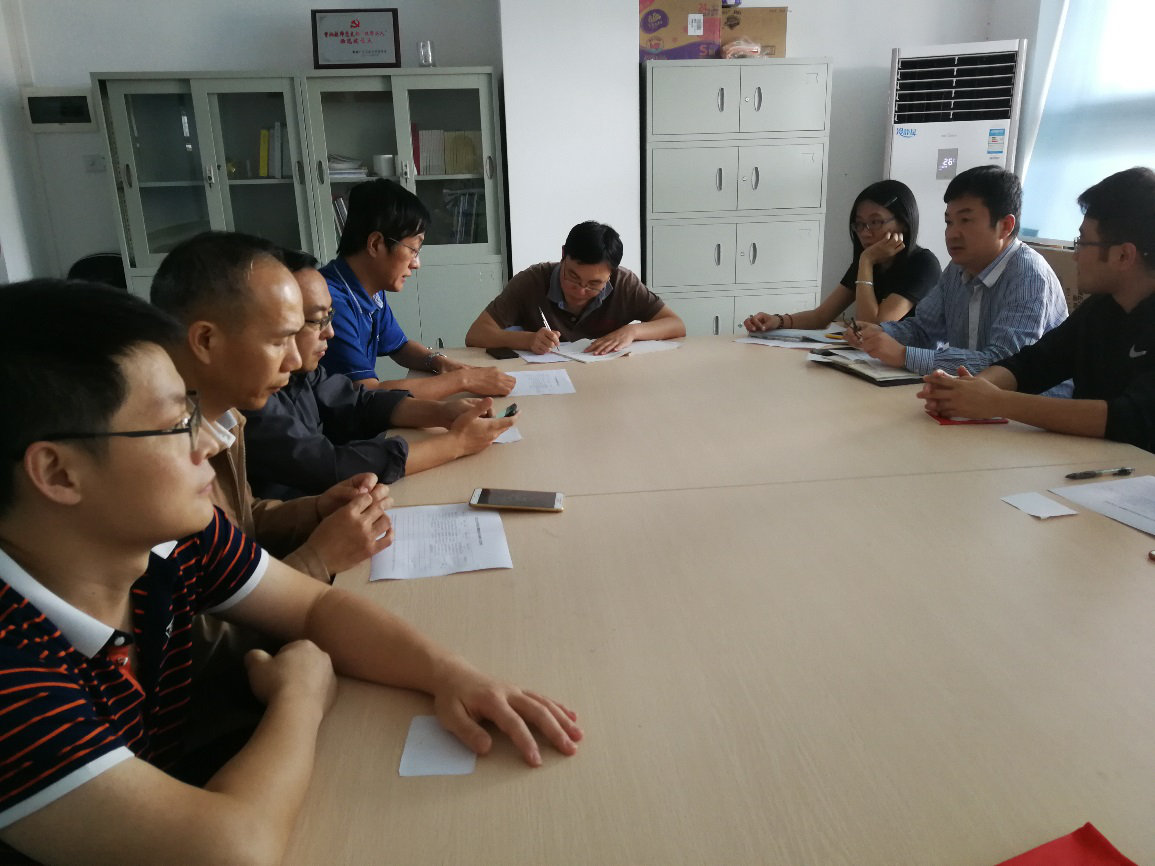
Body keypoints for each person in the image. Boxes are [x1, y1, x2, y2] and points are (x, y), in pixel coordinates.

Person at [0, 281, 582, 866]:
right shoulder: (12, 669)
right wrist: (299, 696)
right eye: (176, 425)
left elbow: (314, 606)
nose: (208, 443)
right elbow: (232, 848)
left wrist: (451, 673)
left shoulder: (170, 539)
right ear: (58, 472)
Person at [152, 231, 393, 582]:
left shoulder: (228, 416)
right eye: (280, 341)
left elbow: (243, 520)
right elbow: (206, 613)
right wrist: (317, 559)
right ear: (205, 339)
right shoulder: (156, 452)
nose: (293, 360)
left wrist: (317, 509)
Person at [243, 249, 517, 500]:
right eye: (317, 320)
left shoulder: (303, 372)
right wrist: (455, 444)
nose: (330, 332)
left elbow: (358, 402)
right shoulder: (251, 397)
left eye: (330, 316)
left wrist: (442, 413)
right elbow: (325, 465)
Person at [919, 167, 1155, 451]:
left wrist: (996, 401)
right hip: (1092, 458)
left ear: (1124, 255)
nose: (1076, 255)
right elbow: (1035, 362)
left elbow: (1131, 417)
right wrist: (968, 390)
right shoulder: (1102, 308)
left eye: (1083, 242)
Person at [843, 166, 1069, 378]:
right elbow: (923, 330)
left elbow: (1004, 365)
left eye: (965, 220)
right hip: (970, 396)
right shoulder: (957, 269)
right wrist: (879, 333)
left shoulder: (1029, 275)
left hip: (1026, 404)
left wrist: (904, 355)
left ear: (1005, 226)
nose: (951, 234)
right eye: (949, 222)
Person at [321, 178, 516, 398]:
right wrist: (463, 380)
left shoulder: (369, 291)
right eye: (413, 250)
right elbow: (368, 393)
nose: (416, 264)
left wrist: (439, 362)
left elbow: (399, 347)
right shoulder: (331, 303)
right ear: (375, 244)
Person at [742, 179, 940, 333]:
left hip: (908, 367)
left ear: (903, 223)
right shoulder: (870, 261)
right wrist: (778, 320)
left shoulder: (923, 264)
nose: (865, 232)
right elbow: (821, 317)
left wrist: (866, 261)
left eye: (875, 222)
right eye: (859, 224)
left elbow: (873, 325)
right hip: (873, 361)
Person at [465, 220, 686, 355]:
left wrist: (632, 331)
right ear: (563, 254)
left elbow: (675, 324)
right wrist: (527, 340)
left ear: (611, 273)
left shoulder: (624, 283)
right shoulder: (532, 281)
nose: (580, 291)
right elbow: (476, 334)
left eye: (594, 284)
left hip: (607, 381)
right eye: (572, 277)